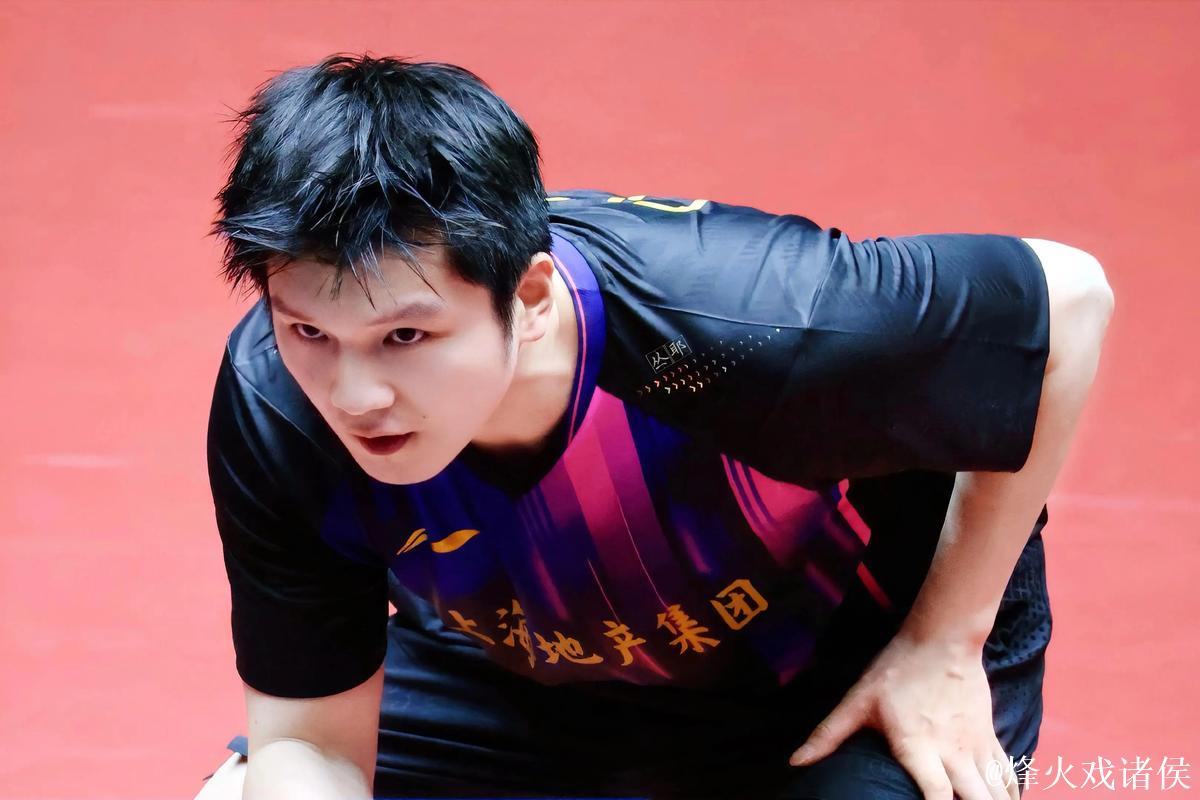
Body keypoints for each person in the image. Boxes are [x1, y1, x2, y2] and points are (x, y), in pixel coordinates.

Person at [196, 53, 1114, 800]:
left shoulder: (750, 322)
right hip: (527, 666)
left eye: (405, 337)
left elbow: (1071, 301)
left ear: (531, 296)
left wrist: (944, 642)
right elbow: (310, 742)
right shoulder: (280, 408)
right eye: (308, 331)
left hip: (836, 665)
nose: (354, 395)